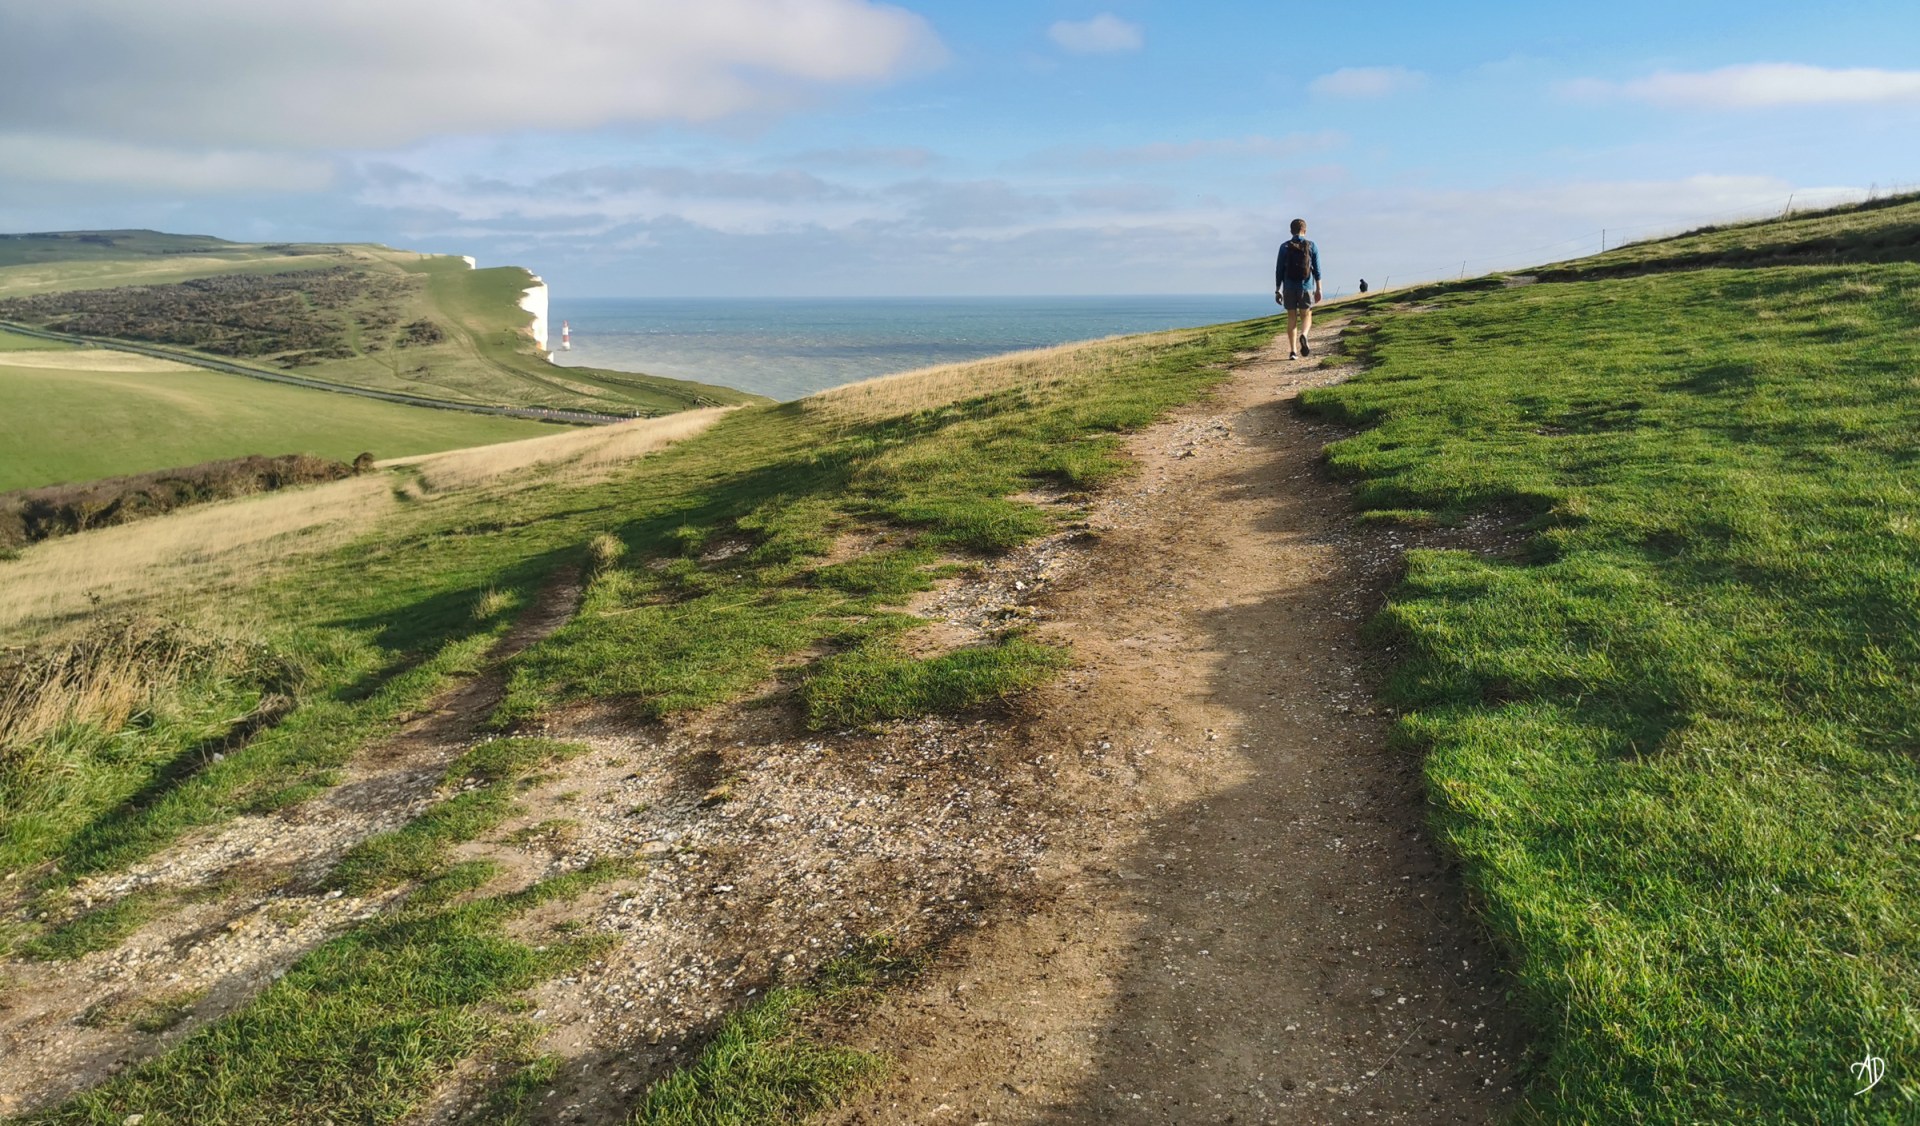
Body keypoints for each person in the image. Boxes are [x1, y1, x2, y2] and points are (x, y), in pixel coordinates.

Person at [1273, 218, 1322, 359]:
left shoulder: (1284, 247)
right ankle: (1304, 335)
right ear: (1305, 230)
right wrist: (1319, 289)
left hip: (1288, 287)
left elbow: (1279, 270)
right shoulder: (1312, 246)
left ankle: (1293, 351)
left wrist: (1278, 290)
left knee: (1291, 318)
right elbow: (1317, 270)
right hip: (1306, 287)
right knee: (1306, 315)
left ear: (1291, 231)